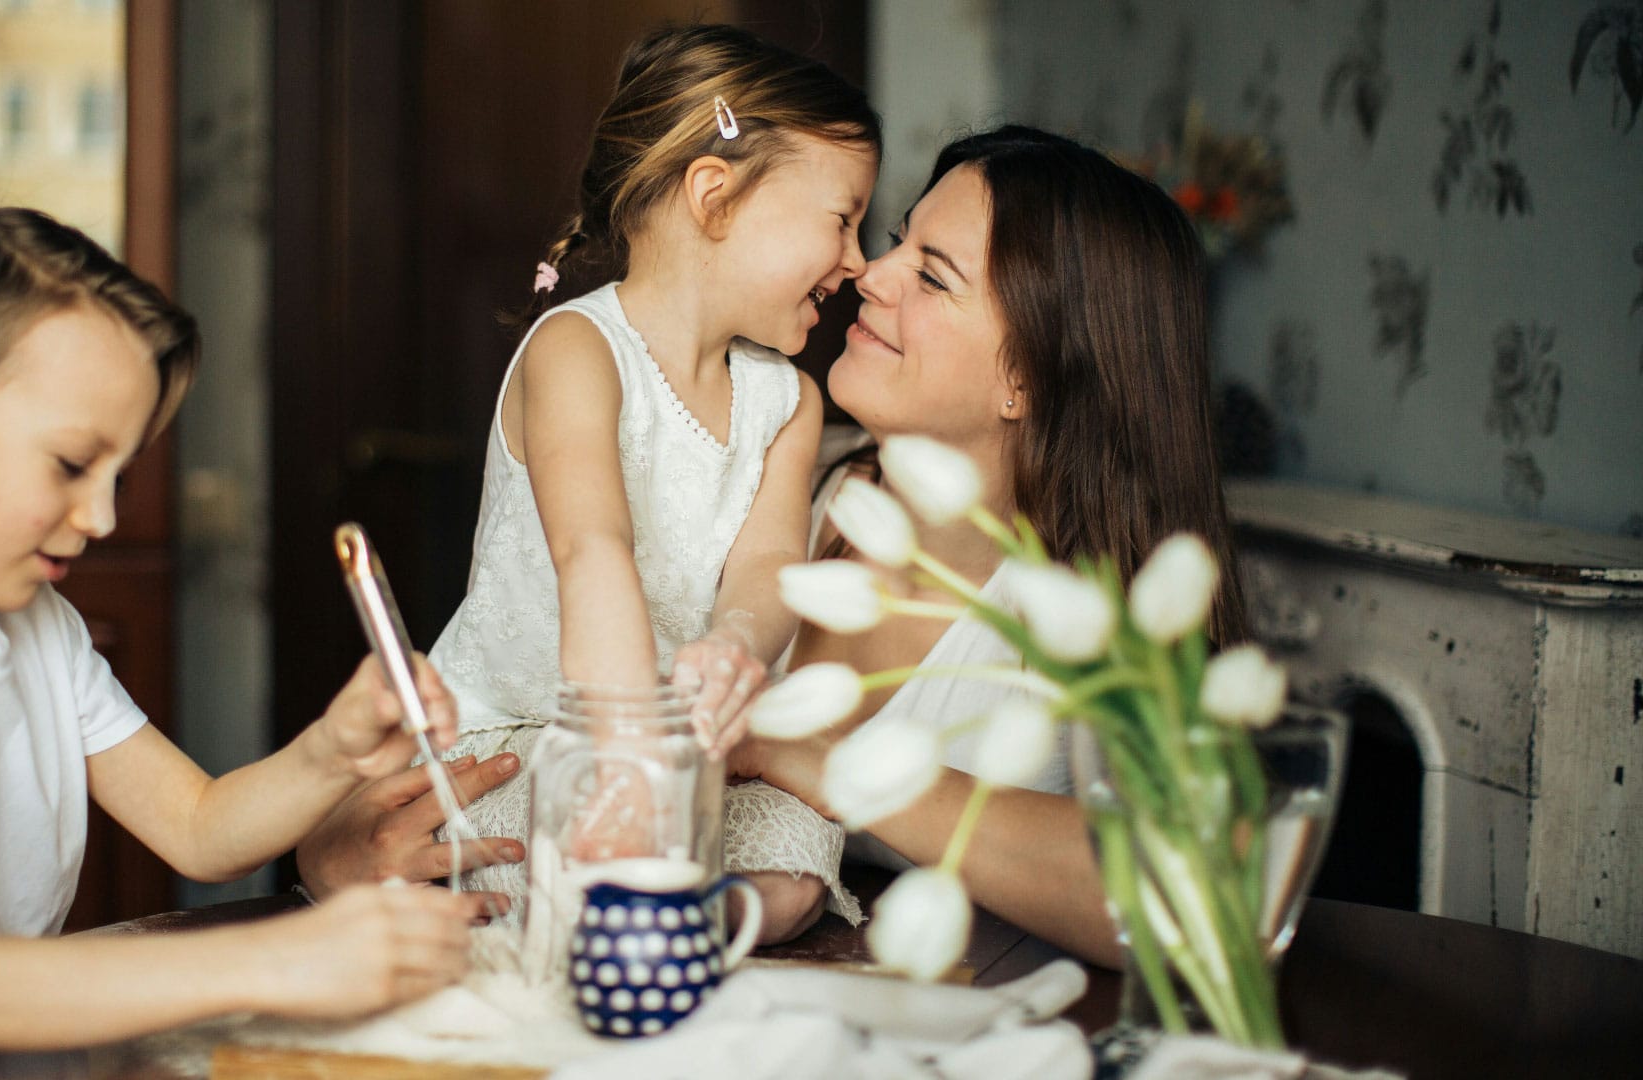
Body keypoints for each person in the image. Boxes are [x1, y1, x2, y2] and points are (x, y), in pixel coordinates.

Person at [0, 200, 483, 1079]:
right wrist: (285, 958)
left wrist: (332, 752)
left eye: (118, 475)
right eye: (71, 465)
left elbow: (199, 829)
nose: (102, 516)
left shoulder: (34, 624)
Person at [302, 24, 880, 944]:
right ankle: (624, 906)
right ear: (716, 196)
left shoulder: (788, 402)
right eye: (842, 218)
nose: (856, 260)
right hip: (536, 733)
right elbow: (592, 550)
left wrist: (737, 643)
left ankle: (665, 918)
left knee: (796, 858)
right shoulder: (578, 350)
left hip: (690, 755)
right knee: (544, 838)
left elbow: (769, 563)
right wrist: (625, 760)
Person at [730, 124, 1248, 968]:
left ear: (1027, 379)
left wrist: (829, 762)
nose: (871, 270)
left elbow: (1190, 897)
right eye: (901, 241)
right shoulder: (780, 480)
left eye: (932, 275)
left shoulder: (1095, 616)